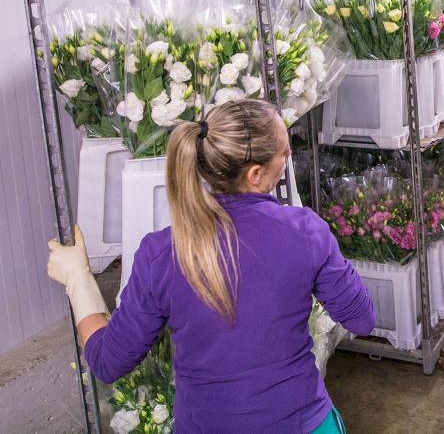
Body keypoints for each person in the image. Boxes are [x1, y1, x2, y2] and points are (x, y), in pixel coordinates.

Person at [47, 99, 376, 433]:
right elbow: (363, 319)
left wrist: (78, 280)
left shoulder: (162, 252)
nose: (289, 157)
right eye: (285, 153)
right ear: (256, 173)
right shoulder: (305, 231)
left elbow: (108, 362)